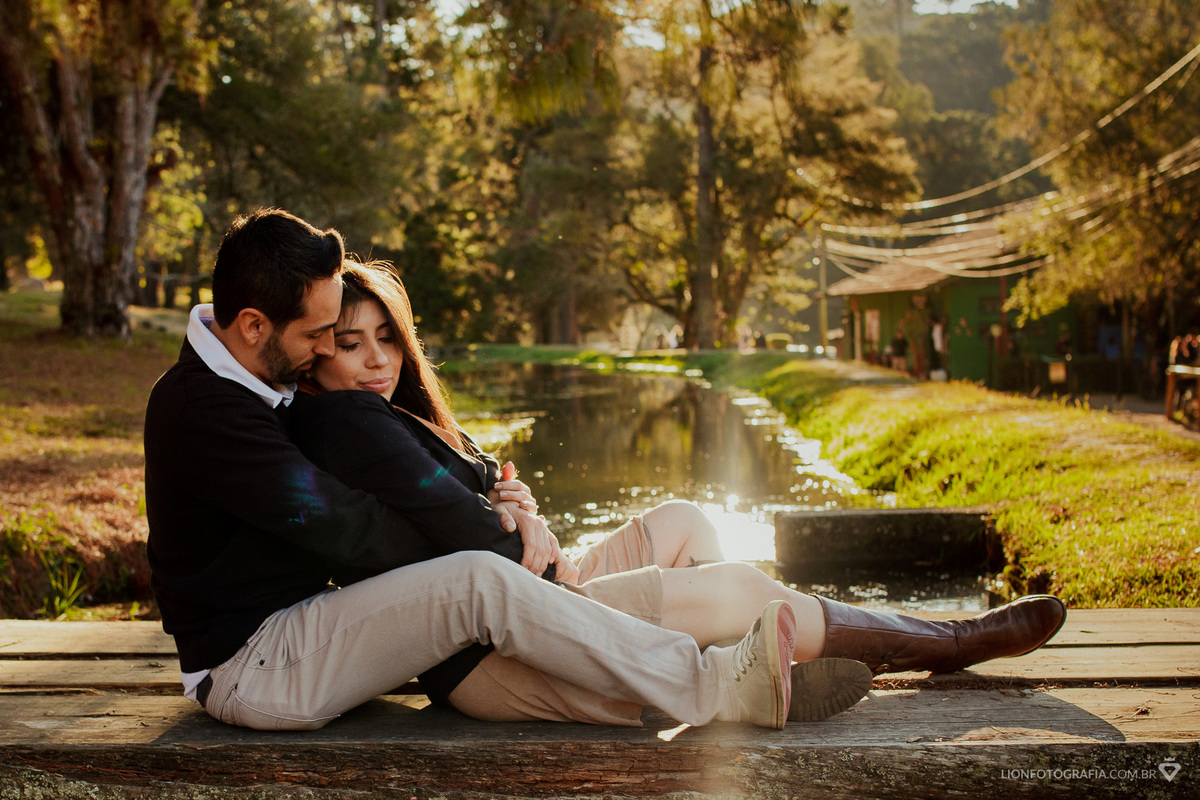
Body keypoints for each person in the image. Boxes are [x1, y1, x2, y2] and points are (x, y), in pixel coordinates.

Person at [144, 207, 864, 734]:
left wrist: (496, 501)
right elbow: (348, 528)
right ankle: (713, 686)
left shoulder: (258, 383)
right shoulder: (205, 412)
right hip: (254, 666)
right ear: (251, 326)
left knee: (487, 574)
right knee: (478, 581)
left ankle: (724, 658)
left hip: (301, 632)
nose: (328, 350)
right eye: (318, 336)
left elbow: (396, 480)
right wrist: (500, 548)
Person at [288, 258, 1069, 725]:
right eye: (349, 345)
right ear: (316, 355)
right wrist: (502, 510)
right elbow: (458, 528)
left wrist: (506, 497)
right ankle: (944, 643)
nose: (375, 360)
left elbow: (477, 486)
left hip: (536, 598)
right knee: (732, 586)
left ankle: (753, 654)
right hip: (492, 652)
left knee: (686, 518)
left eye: (386, 337)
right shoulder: (346, 422)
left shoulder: (389, 417)